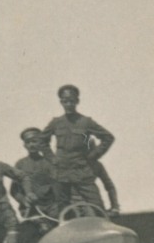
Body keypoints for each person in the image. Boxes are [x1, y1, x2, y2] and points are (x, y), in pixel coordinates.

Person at [42, 85, 118, 213]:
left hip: (81, 170)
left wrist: (94, 155)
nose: (69, 104)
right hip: (61, 171)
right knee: (63, 209)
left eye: (71, 101)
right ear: (61, 102)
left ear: (77, 101)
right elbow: (42, 141)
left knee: (97, 206)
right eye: (65, 101)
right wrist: (51, 158)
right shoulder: (56, 122)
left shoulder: (86, 122)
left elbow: (108, 137)